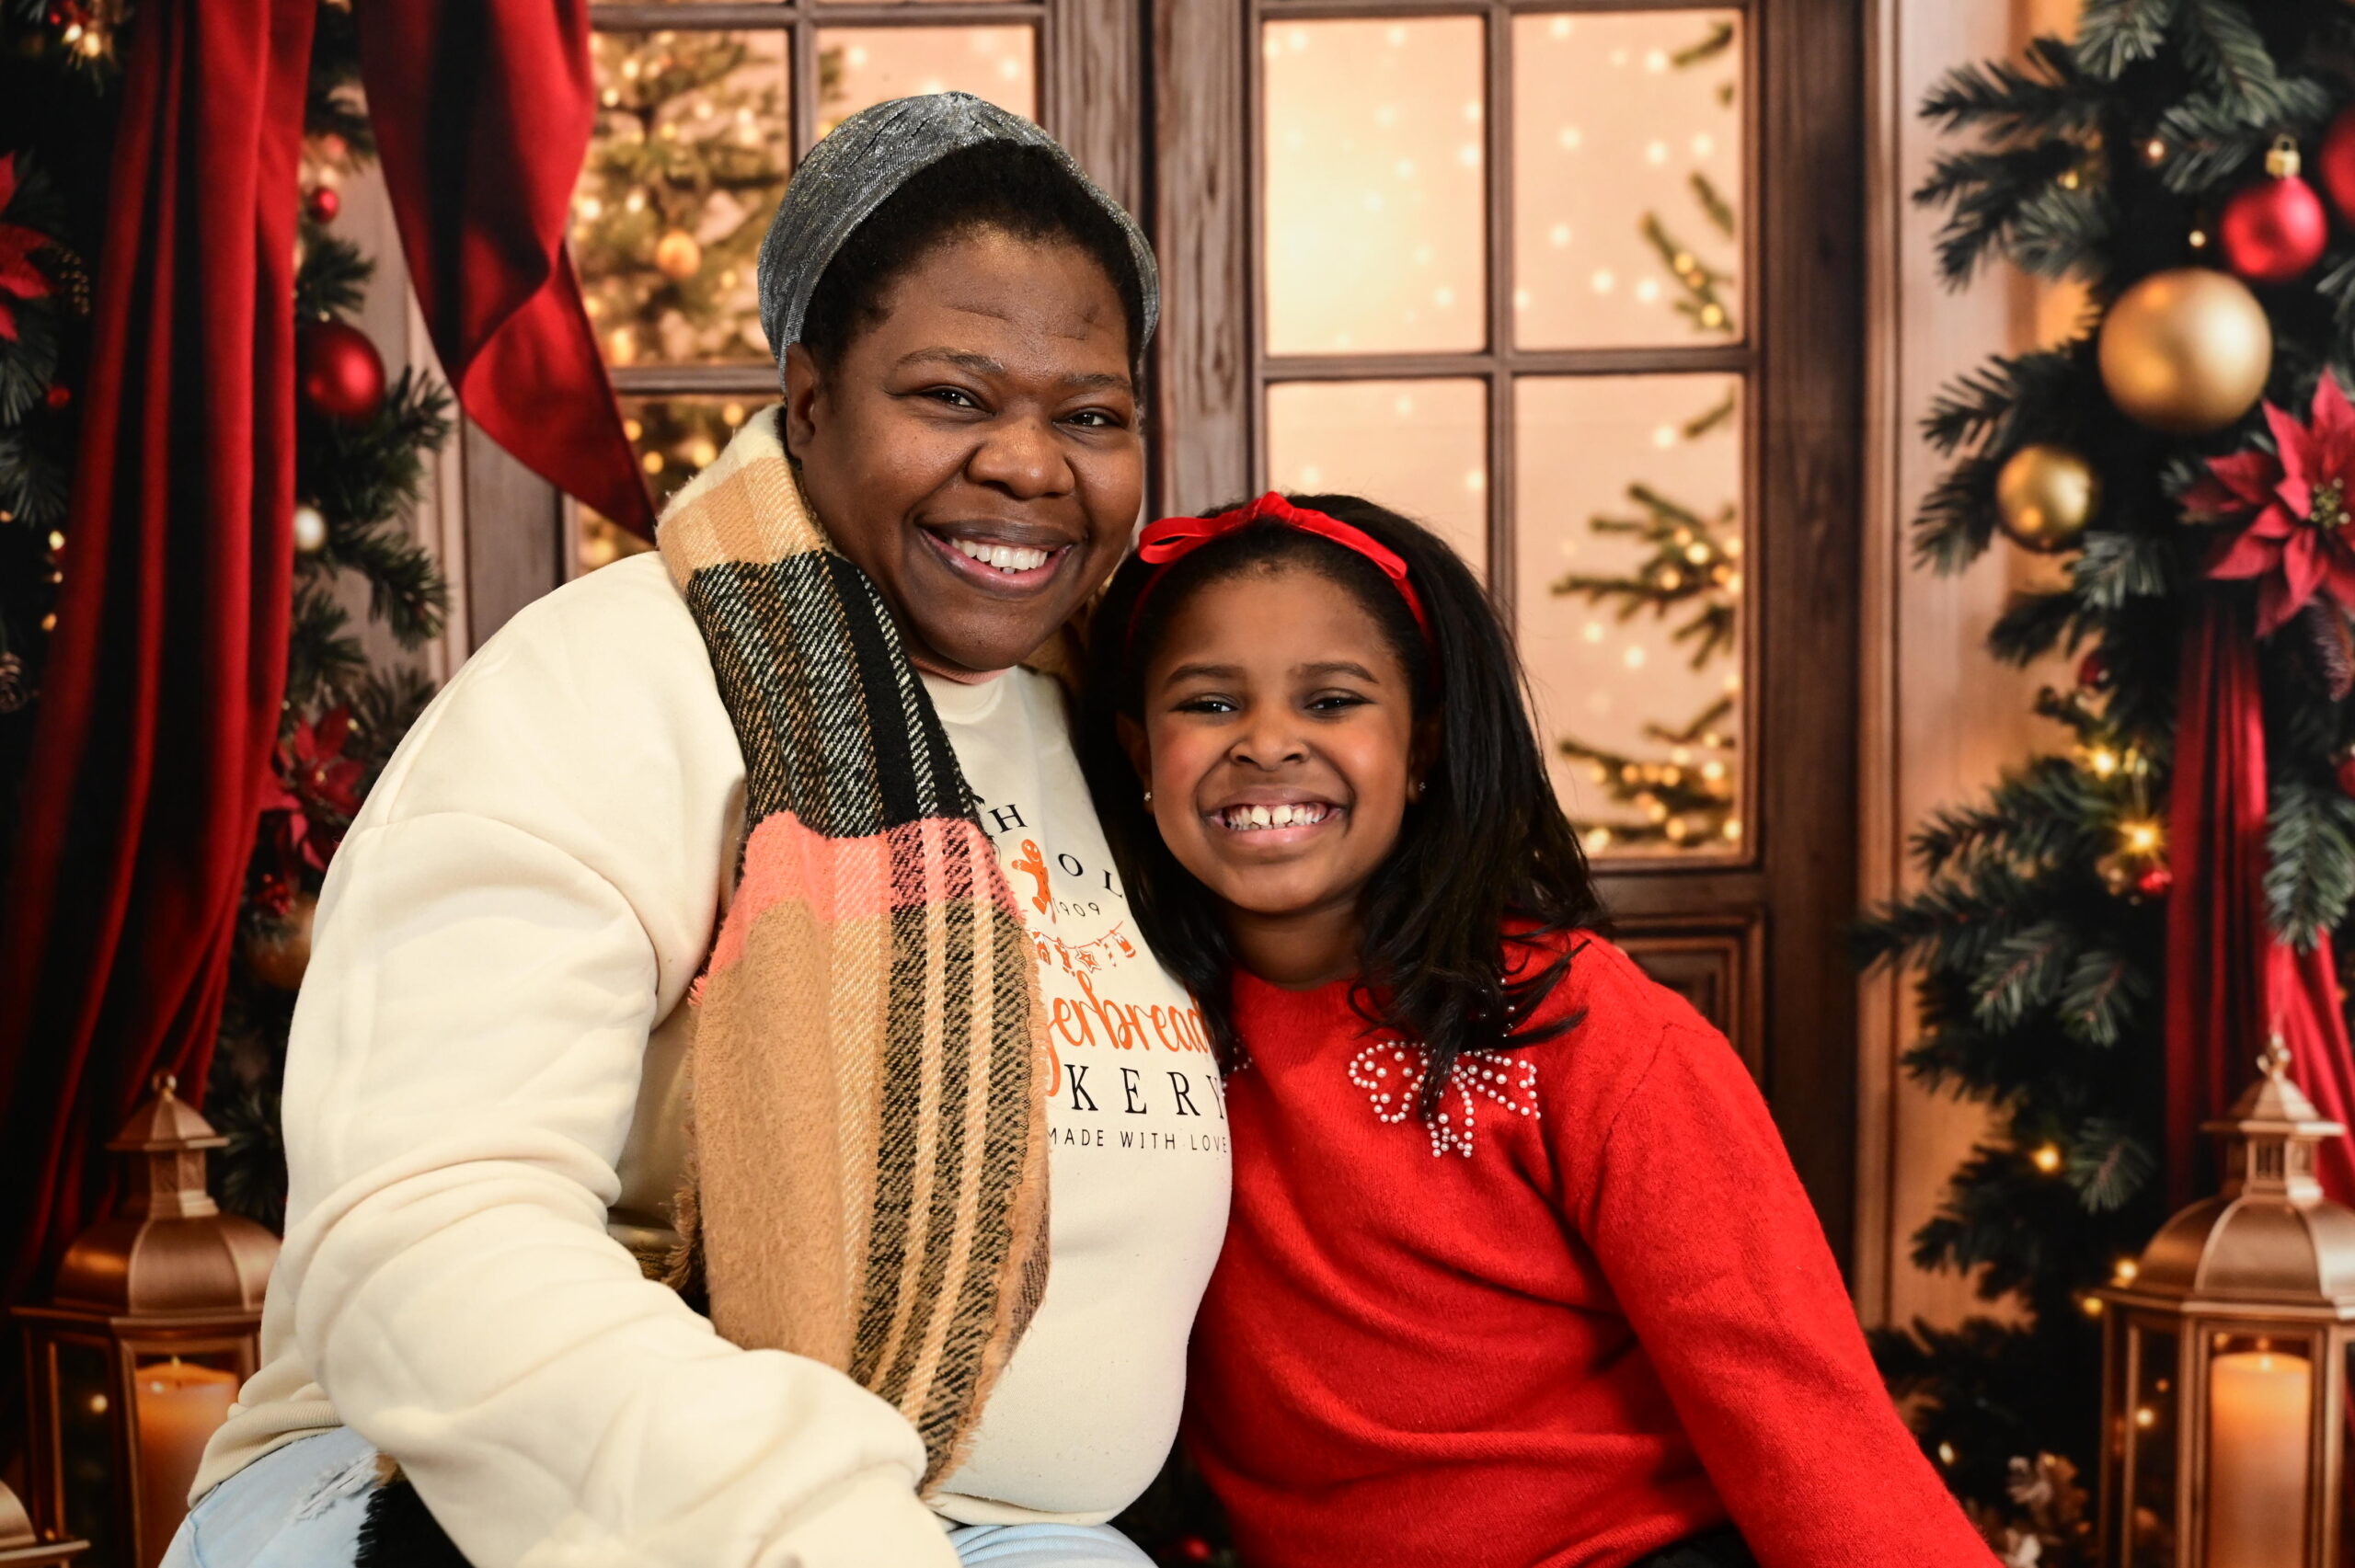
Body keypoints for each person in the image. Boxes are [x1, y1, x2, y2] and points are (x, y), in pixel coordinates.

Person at [166, 95, 1228, 1568]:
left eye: (1091, 414)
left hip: (990, 1532)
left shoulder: (1119, 727)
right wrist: (821, 1531)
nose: (1032, 465)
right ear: (811, 402)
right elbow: (429, 1232)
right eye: (953, 396)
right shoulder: (612, 685)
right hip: (455, 1500)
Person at [1074, 492, 2001, 1568]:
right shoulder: (1128, 1028)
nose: (1268, 742)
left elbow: (1792, 1398)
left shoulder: (1581, 1028)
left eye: (1331, 700)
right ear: (1139, 753)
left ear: (1421, 744)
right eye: (1209, 703)